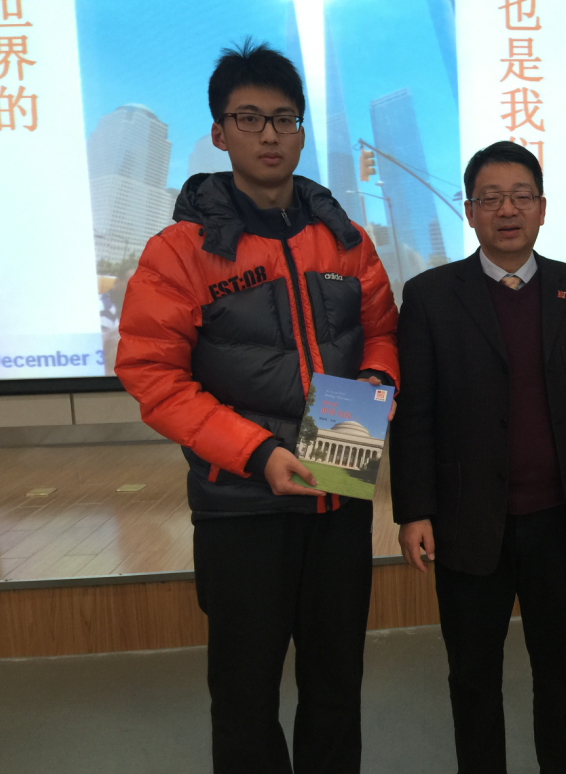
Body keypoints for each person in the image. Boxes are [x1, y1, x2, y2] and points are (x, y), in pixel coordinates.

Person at [114, 41, 398, 774]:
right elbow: (152, 374)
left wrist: (375, 383)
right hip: (241, 506)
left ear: (301, 132)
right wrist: (257, 452)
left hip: (338, 499)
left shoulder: (345, 239)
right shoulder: (179, 251)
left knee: (336, 689)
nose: (269, 134)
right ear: (219, 133)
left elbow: (380, 332)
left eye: (284, 119)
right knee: (244, 699)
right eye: (249, 118)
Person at [390, 141, 566, 774]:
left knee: (563, 675)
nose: (507, 210)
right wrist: (414, 511)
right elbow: (416, 411)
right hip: (467, 519)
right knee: (472, 679)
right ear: (469, 212)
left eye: (521, 196)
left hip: (560, 520)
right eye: (490, 199)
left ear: (542, 208)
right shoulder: (431, 295)